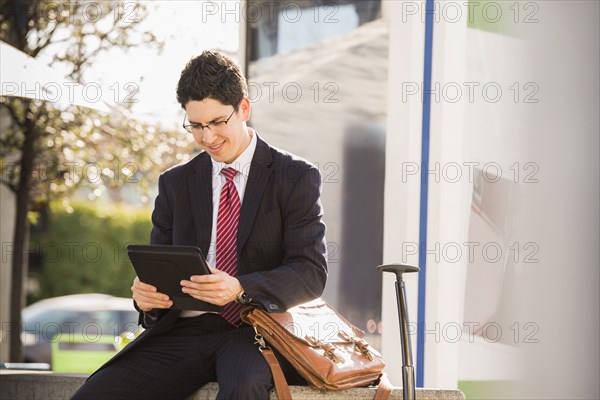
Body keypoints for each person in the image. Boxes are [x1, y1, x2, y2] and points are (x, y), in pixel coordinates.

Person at [71, 50, 328, 399]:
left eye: (218, 122)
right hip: (183, 331)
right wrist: (146, 298)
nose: (207, 138)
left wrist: (238, 287)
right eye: (196, 125)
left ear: (244, 109)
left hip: (252, 331)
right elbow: (158, 267)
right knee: (96, 394)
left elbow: (310, 272)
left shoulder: (294, 176)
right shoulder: (175, 183)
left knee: (245, 388)